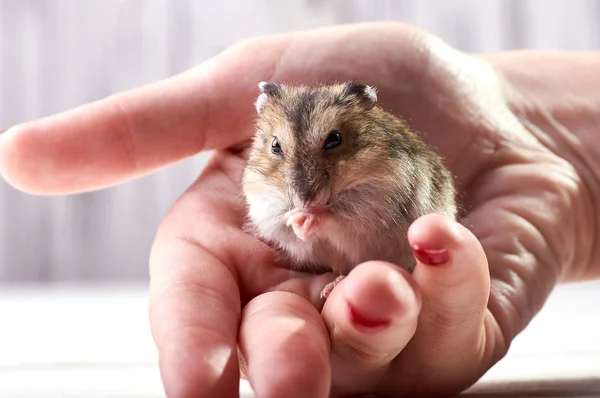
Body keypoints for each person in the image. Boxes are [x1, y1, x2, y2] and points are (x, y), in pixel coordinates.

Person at [1, 22, 598, 398]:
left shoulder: (396, 163)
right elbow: (271, 223)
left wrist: (334, 218)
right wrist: (307, 229)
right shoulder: (267, 176)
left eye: (333, 145)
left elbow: (386, 228)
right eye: (282, 152)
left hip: (396, 247)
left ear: (364, 126)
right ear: (267, 143)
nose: (302, 179)